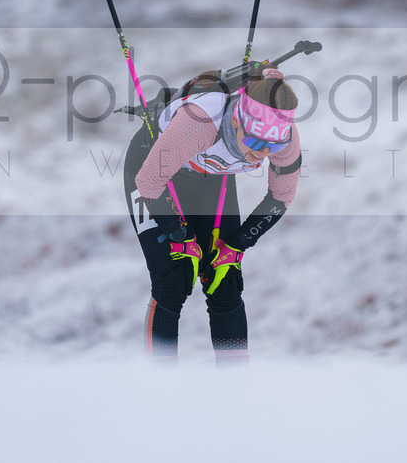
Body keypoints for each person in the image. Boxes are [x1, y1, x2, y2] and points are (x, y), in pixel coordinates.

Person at [123, 67, 302, 364]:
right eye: (256, 141)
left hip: (208, 173)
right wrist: (180, 235)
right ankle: (158, 387)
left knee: (224, 277)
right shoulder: (201, 122)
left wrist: (238, 243)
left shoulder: (286, 137)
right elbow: (148, 184)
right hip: (152, 174)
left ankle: (234, 390)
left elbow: (281, 197)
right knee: (175, 277)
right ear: (236, 119)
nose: (263, 152)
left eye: (273, 145)